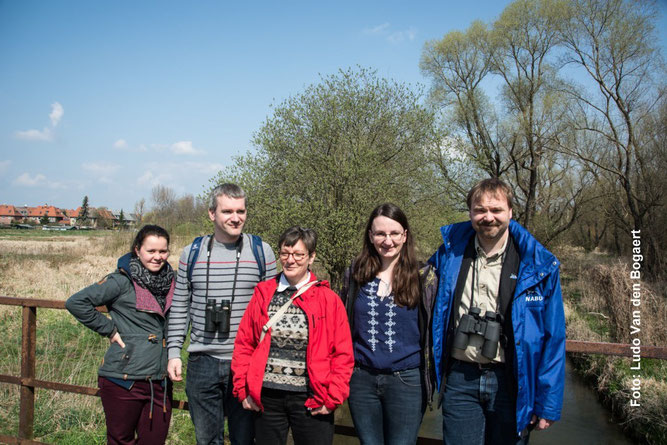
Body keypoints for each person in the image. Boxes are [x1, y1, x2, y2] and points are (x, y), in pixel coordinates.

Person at [429, 178, 565, 444]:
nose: (487, 217)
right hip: (459, 379)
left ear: (511, 212)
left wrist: (547, 403)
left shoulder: (538, 264)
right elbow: (414, 287)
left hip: (511, 382)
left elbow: (554, 336)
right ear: (469, 213)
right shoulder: (449, 254)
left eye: (496, 210)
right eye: (480, 210)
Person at [166, 183, 277, 445]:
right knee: (206, 440)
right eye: (227, 211)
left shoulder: (262, 252)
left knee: (244, 440)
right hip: (201, 363)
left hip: (246, 363)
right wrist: (173, 352)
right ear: (211, 214)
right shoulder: (191, 254)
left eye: (241, 211)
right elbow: (180, 305)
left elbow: (273, 309)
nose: (235, 218)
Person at [231, 226, 354, 445]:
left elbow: (343, 354)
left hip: (311, 398)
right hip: (267, 398)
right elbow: (244, 344)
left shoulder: (329, 299)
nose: (290, 260)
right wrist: (242, 389)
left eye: (298, 255)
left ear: (311, 257)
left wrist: (333, 397)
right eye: (285, 254)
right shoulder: (263, 293)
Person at [66, 224, 175, 445]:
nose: (157, 257)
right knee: (120, 441)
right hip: (124, 379)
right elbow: (76, 302)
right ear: (137, 250)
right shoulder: (121, 281)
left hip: (160, 381)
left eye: (162, 251)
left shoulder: (173, 282)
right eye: (151, 251)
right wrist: (109, 330)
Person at [339, 203, 437, 445]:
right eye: (380, 233)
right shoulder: (354, 273)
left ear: (405, 235)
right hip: (361, 379)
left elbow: (436, 328)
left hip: (407, 381)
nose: (387, 240)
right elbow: (341, 325)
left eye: (394, 233)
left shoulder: (424, 276)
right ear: (371, 236)